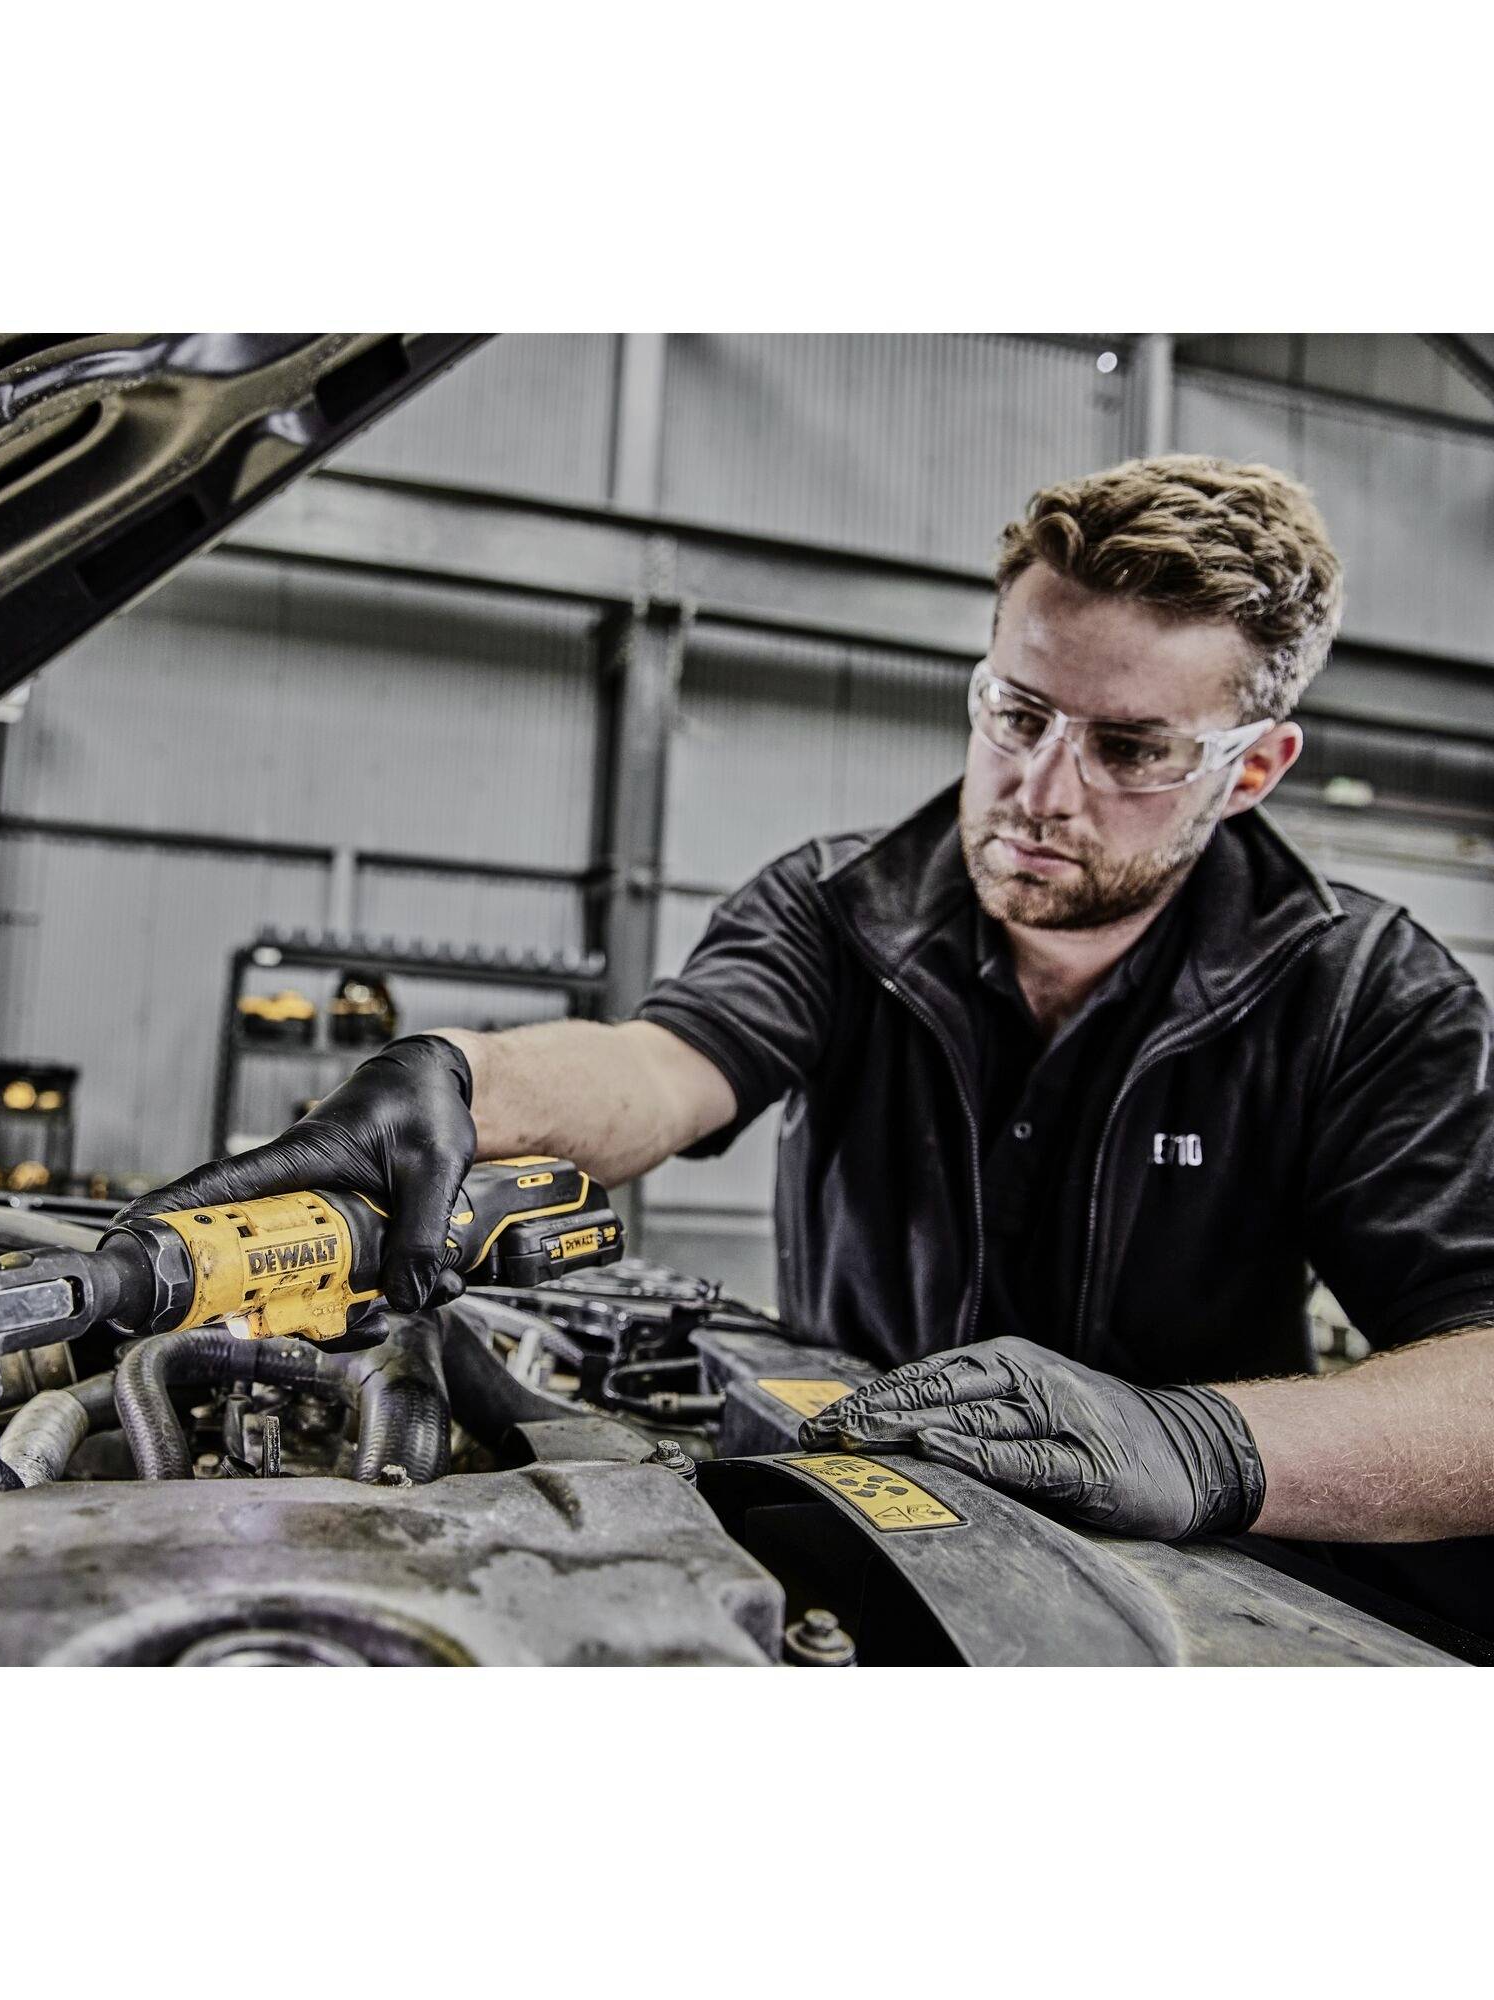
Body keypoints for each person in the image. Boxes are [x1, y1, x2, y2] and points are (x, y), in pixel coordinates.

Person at [152, 455, 1494, 1636]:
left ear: (1252, 769)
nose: (1038, 789)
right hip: (847, 1530)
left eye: (1130, 748)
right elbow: (657, 1072)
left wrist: (1192, 1442)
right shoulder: (840, 910)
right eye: (1016, 712)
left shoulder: (1366, 995)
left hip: (1171, 1603)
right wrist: (461, 1077)